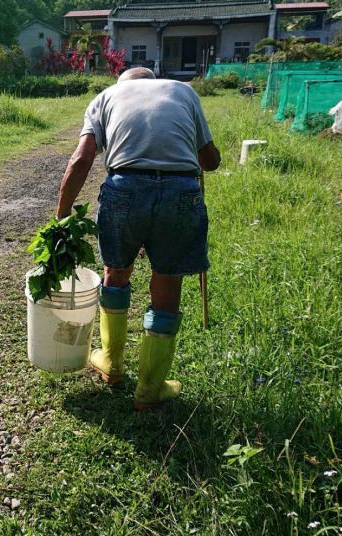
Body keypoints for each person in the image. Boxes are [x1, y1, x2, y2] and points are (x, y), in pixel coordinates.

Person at [55, 67, 221, 410]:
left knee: (115, 273)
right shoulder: (183, 91)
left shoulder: (104, 98)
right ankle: (149, 388)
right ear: (153, 80)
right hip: (181, 191)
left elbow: (82, 158)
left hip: (125, 189)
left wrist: (62, 215)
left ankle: (112, 365)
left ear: (123, 85)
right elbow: (211, 161)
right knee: (167, 283)